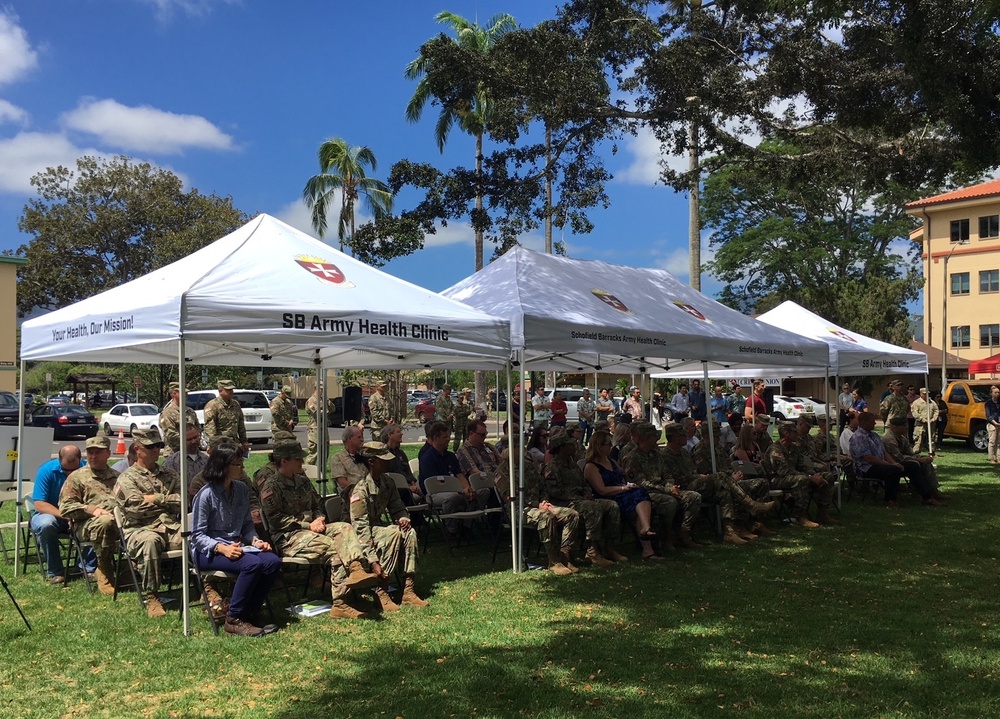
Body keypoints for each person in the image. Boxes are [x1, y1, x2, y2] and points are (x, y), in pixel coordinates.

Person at [260, 441, 381, 620]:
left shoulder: (302, 479)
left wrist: (319, 517)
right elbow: (275, 519)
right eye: (297, 459)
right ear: (283, 461)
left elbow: (317, 503)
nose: (301, 462)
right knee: (336, 549)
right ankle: (341, 603)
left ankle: (356, 569)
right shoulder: (271, 486)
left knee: (344, 527)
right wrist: (308, 525)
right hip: (289, 537)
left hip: (314, 528)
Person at [190, 442, 281, 636]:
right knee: (251, 564)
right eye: (237, 464)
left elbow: (247, 525)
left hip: (236, 545)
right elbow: (197, 536)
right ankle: (234, 618)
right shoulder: (206, 495)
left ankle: (251, 611)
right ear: (223, 466)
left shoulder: (241, 489)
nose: (242, 468)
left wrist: (256, 541)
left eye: (241, 464)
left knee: (272, 561)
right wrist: (221, 548)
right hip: (207, 551)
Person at [663, 421, 775, 543]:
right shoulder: (668, 455)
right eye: (683, 435)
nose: (687, 437)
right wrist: (702, 477)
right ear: (675, 438)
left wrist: (732, 475)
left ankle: (732, 530)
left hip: (715, 482)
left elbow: (725, 466)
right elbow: (676, 479)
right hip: (685, 487)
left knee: (728, 492)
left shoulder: (685, 453)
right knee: (722, 478)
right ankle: (751, 505)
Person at [350, 442, 429, 611]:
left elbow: (397, 507)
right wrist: (373, 561)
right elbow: (360, 529)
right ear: (372, 462)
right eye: (383, 460)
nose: (388, 463)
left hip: (377, 528)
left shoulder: (387, 482)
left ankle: (408, 589)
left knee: (409, 533)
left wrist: (403, 518)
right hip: (358, 534)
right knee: (393, 533)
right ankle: (381, 590)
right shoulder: (360, 489)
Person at [115, 429, 183, 617]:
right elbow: (135, 508)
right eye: (150, 446)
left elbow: (183, 503)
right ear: (138, 449)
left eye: (159, 446)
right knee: (150, 542)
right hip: (140, 529)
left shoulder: (169, 474)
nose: (156, 450)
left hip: (169, 526)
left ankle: (207, 588)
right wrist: (166, 501)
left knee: (195, 537)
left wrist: (155, 498)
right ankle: (152, 596)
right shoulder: (127, 478)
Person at [496, 432, 580, 575]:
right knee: (546, 517)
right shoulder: (502, 472)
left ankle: (564, 555)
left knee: (571, 514)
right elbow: (511, 498)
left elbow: (543, 487)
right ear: (508, 450)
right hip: (519, 510)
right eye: (518, 447)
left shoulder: (528, 467)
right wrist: (537, 505)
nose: (522, 450)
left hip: (540, 505)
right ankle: (553, 562)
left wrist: (544, 501)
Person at [543, 432, 624, 566]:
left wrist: (586, 493)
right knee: (593, 507)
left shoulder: (573, 465)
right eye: (570, 445)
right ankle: (592, 552)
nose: (574, 446)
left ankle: (608, 547)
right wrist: (579, 497)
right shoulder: (552, 468)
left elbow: (584, 483)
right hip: (564, 503)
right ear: (562, 448)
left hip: (580, 499)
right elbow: (555, 491)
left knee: (612, 505)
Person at [584, 429, 661, 560]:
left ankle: (647, 541)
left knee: (640, 495)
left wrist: (627, 484)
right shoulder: (591, 467)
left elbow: (623, 479)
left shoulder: (612, 462)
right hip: (608, 496)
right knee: (638, 497)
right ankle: (647, 536)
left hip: (624, 494)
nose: (610, 447)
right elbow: (601, 490)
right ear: (599, 446)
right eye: (607, 444)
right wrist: (624, 488)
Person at [58, 436, 119, 595]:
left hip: (119, 522)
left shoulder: (118, 477)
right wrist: (90, 509)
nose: (93, 456)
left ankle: (131, 569)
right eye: (90, 453)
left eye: (98, 453)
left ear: (108, 454)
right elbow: (65, 508)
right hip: (86, 525)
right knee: (105, 522)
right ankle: (104, 571)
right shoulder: (77, 477)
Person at [30, 446, 93, 585]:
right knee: (46, 524)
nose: (70, 474)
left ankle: (87, 567)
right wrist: (66, 515)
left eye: (73, 471)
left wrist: (80, 514)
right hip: (51, 514)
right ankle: (56, 572)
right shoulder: (46, 471)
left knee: (98, 521)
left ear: (80, 460)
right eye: (66, 470)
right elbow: (39, 504)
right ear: (59, 460)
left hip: (79, 514)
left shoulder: (88, 469)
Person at [417, 420, 482, 542]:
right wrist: (459, 490)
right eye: (445, 437)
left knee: (481, 492)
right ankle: (451, 529)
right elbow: (435, 484)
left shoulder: (451, 456)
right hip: (435, 493)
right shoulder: (427, 458)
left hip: (456, 490)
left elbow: (459, 475)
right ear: (436, 438)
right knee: (451, 497)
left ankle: (467, 526)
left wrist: (467, 488)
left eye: (448, 436)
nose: (448, 439)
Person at [761, 423, 824, 528]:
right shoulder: (775, 450)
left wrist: (813, 474)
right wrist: (809, 477)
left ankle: (822, 513)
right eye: (794, 432)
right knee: (802, 479)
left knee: (826, 476)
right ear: (786, 433)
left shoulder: (793, 447)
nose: (797, 434)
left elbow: (801, 465)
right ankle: (800, 517)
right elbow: (783, 471)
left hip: (790, 476)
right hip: (776, 479)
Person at [881, 417, 945, 505]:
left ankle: (932, 491)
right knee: (914, 464)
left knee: (926, 463)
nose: (907, 427)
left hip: (903, 461)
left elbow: (910, 453)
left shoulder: (902, 437)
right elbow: (898, 457)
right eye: (904, 425)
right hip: (893, 463)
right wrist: (918, 459)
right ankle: (925, 495)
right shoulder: (889, 439)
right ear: (895, 427)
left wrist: (922, 458)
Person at [849, 411, 905, 508]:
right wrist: (890, 465)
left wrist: (894, 463)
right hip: (866, 468)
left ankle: (926, 496)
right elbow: (868, 458)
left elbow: (884, 452)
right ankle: (889, 499)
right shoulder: (858, 438)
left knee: (912, 465)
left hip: (881, 464)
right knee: (893, 471)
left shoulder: (874, 435)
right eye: (872, 421)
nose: (875, 423)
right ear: (863, 422)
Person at [329, 425, 368, 521]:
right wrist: (361, 493)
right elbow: (343, 484)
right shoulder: (338, 458)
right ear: (350, 439)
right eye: (359, 437)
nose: (362, 440)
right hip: (352, 499)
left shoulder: (364, 457)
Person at [204, 379, 248, 453]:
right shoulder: (213, 405)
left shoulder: (235, 404)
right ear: (220, 391)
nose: (231, 392)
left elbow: (240, 424)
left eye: (232, 389)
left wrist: (244, 441)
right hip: (221, 445)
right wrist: (214, 445)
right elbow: (210, 427)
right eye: (228, 390)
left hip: (234, 443)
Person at [159, 381, 200, 456]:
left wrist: (195, 441)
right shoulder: (167, 413)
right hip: (175, 453)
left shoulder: (190, 411)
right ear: (174, 394)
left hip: (192, 451)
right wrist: (187, 443)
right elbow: (171, 435)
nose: (186, 395)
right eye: (184, 393)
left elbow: (197, 428)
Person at [910, 387, 938, 454]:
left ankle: (931, 455)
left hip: (931, 424)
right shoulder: (916, 403)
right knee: (919, 440)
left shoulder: (932, 402)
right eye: (924, 394)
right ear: (921, 394)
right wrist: (923, 420)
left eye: (927, 394)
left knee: (931, 441)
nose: (926, 395)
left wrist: (933, 419)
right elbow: (915, 413)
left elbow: (936, 410)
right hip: (920, 425)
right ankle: (916, 456)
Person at [987, 385, 1000, 465]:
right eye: (995, 392)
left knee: (999, 442)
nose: (997, 394)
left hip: (999, 423)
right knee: (992, 441)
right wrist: (995, 423)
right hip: (992, 424)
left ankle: (998, 458)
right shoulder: (988, 403)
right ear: (991, 393)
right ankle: (992, 458)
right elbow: (988, 416)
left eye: (998, 392)